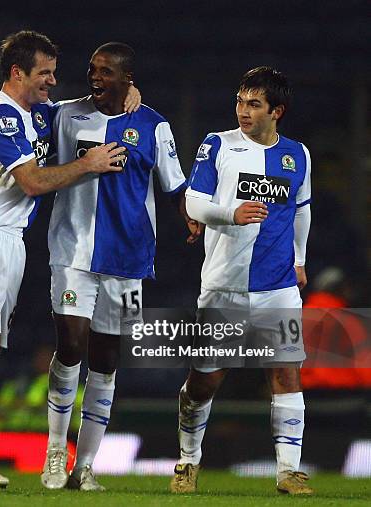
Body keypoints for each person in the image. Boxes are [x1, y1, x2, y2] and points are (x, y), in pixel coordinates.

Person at [0, 30, 132, 489]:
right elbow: (33, 183)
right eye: (44, 72)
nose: (52, 81)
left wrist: (126, 92)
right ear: (17, 72)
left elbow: (77, 107)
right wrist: (88, 163)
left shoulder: (37, 112)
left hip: (6, 239)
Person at [40, 42, 196, 492]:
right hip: (72, 250)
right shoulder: (66, 115)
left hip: (127, 260)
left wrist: (189, 217)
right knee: (71, 344)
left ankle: (84, 466)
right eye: (92, 69)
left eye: (106, 72)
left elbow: (174, 184)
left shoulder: (152, 124)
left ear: (127, 79)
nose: (95, 77)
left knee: (106, 361)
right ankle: (55, 452)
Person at [172, 66, 313, 495]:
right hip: (225, 284)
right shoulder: (218, 145)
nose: (243, 111)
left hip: (278, 285)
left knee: (286, 374)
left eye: (254, 104)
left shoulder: (298, 154)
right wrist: (229, 213)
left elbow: (301, 209)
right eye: (240, 101)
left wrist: (300, 260)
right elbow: (193, 202)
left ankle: (288, 471)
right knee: (206, 379)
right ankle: (188, 461)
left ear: (277, 111)